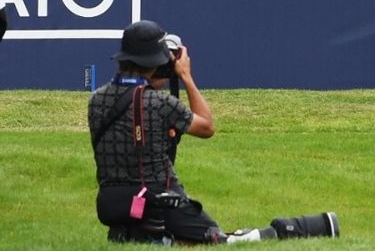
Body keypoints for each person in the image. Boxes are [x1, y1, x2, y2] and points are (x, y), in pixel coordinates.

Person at [91, 21, 340, 244]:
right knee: (222, 241)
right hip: (163, 203)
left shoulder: (97, 100)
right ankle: (294, 229)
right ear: (155, 61)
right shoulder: (158, 102)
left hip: (118, 207)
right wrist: (186, 77)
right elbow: (206, 126)